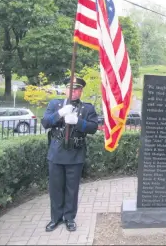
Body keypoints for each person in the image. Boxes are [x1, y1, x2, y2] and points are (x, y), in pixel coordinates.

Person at [41, 76, 98, 232]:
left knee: (72, 189)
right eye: (70, 88)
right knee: (55, 188)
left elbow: (93, 127)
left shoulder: (87, 109)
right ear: (66, 89)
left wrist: (78, 122)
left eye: (77, 89)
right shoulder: (55, 104)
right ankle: (56, 218)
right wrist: (59, 113)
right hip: (56, 154)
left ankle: (69, 218)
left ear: (81, 91)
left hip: (75, 154)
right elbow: (45, 122)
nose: (73, 91)